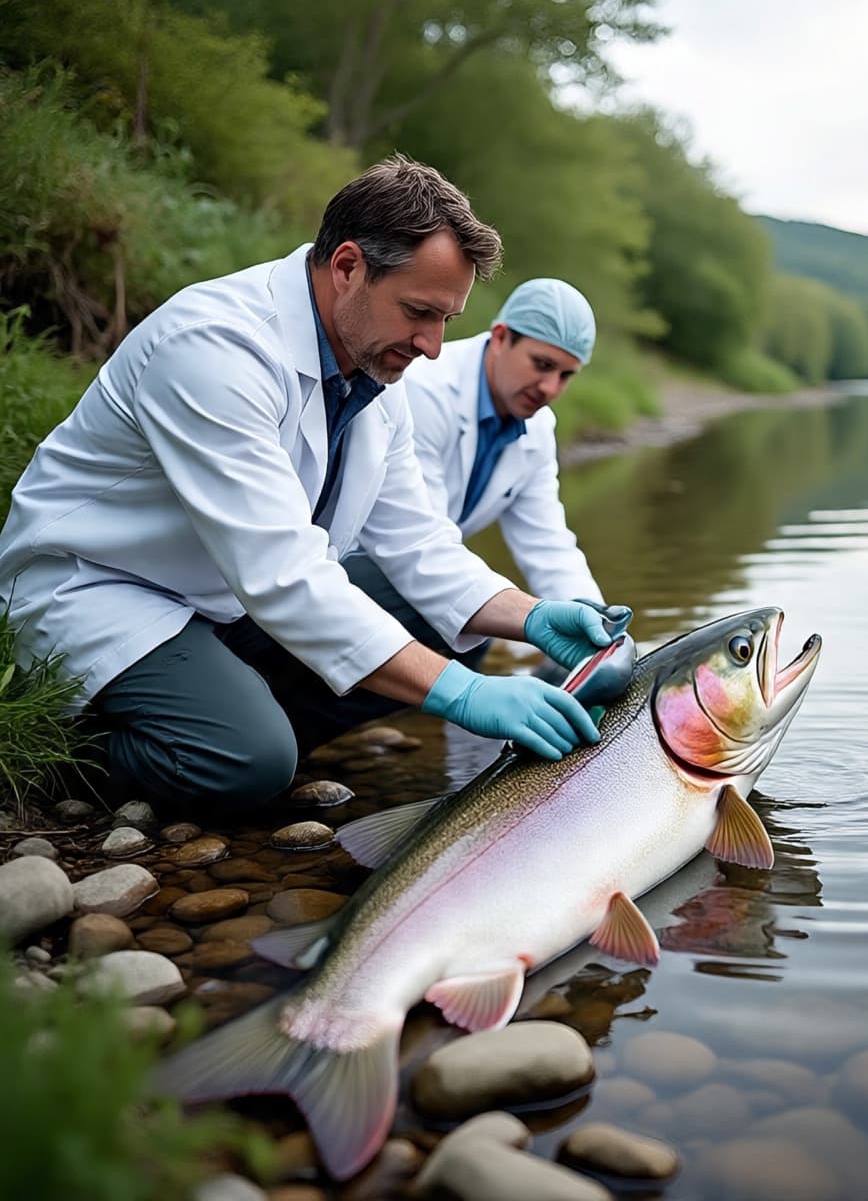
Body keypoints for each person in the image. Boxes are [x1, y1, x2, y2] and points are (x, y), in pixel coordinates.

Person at [0, 155, 630, 814]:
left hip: (218, 598)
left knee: (438, 625)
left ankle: (240, 723)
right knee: (250, 759)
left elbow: (419, 543)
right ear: (348, 266)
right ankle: (67, 759)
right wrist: (460, 693)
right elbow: (283, 571)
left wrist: (532, 617)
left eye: (446, 319)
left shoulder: (373, 372)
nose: (434, 345)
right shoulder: (216, 347)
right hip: (103, 589)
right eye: (419, 311)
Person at [399, 278, 604, 605]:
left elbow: (547, 545)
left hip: (428, 565)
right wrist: (522, 614)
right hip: (361, 565)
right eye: (542, 365)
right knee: (481, 619)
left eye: (565, 375)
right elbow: (421, 542)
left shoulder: (538, 427)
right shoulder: (425, 391)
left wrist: (597, 619)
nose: (550, 388)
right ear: (499, 338)